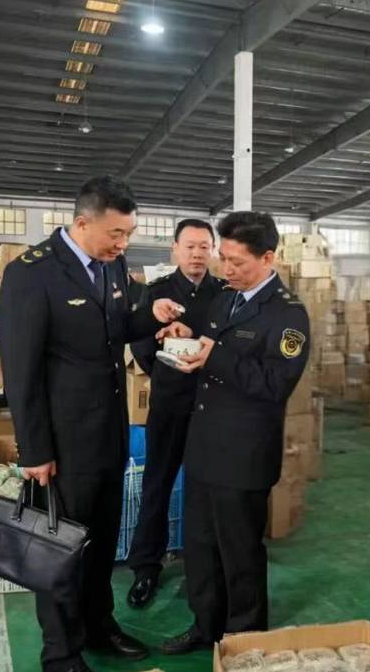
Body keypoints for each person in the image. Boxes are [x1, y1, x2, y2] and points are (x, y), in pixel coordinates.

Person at [0, 175, 184, 672]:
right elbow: (20, 371)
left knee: (101, 541)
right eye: (116, 234)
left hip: (109, 435)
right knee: (60, 548)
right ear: (83, 223)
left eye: (129, 234)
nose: (123, 244)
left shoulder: (112, 265)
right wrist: (35, 450)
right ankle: (61, 652)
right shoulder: (31, 273)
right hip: (63, 444)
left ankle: (99, 626)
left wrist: (153, 315)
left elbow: (117, 328)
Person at [158, 211, 311, 654]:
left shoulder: (287, 315)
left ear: (268, 258)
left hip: (244, 454)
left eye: (237, 262)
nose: (226, 269)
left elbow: (276, 384)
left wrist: (215, 357)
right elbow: (210, 343)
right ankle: (205, 625)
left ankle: (245, 638)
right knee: (200, 546)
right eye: (222, 258)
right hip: (205, 445)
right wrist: (186, 338)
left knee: (239, 552)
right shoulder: (226, 299)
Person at [126, 219, 225, 608]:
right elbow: (139, 344)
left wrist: (194, 341)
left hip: (212, 406)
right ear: (175, 249)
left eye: (204, 247)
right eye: (190, 246)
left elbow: (228, 342)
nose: (197, 254)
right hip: (169, 403)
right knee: (157, 484)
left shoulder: (224, 294)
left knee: (209, 488)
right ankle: (145, 567)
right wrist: (163, 357)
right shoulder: (157, 292)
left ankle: (208, 565)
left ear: (213, 250)